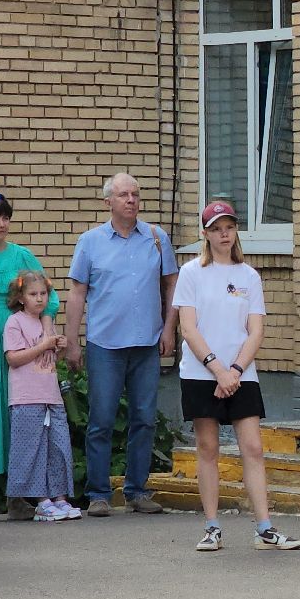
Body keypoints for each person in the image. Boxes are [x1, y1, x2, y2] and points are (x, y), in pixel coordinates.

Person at [175, 201, 300, 553]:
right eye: (216, 228)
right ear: (206, 234)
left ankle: (265, 528)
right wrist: (217, 368)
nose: (224, 234)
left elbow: (256, 331)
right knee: (208, 448)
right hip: (201, 374)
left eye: (228, 227)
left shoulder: (249, 275)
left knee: (253, 448)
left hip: (241, 373)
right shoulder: (191, 273)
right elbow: (188, 328)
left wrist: (234, 371)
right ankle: (212, 526)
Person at [64, 174, 179, 517]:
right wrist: (72, 342)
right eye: (123, 195)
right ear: (108, 203)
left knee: (144, 418)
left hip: (147, 342)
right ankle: (99, 493)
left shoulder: (157, 238)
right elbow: (76, 293)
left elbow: (172, 285)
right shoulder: (90, 241)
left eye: (135, 194)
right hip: (105, 344)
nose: (131, 200)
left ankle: (137, 490)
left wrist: (170, 329)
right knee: (101, 419)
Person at [0, 192, 59, 524]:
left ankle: (16, 496)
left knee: (19, 415)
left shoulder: (22, 255)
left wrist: (46, 331)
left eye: (5, 217)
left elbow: (51, 296)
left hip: (22, 343)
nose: (2, 223)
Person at [0, 271, 81, 523]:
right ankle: (40, 500)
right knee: (31, 450)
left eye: (43, 294)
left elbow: (48, 360)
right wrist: (44, 346)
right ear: (21, 297)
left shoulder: (47, 324)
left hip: (51, 396)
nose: (39, 299)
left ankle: (59, 497)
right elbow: (13, 358)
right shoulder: (15, 322)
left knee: (58, 447)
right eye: (33, 294)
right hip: (26, 397)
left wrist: (59, 348)